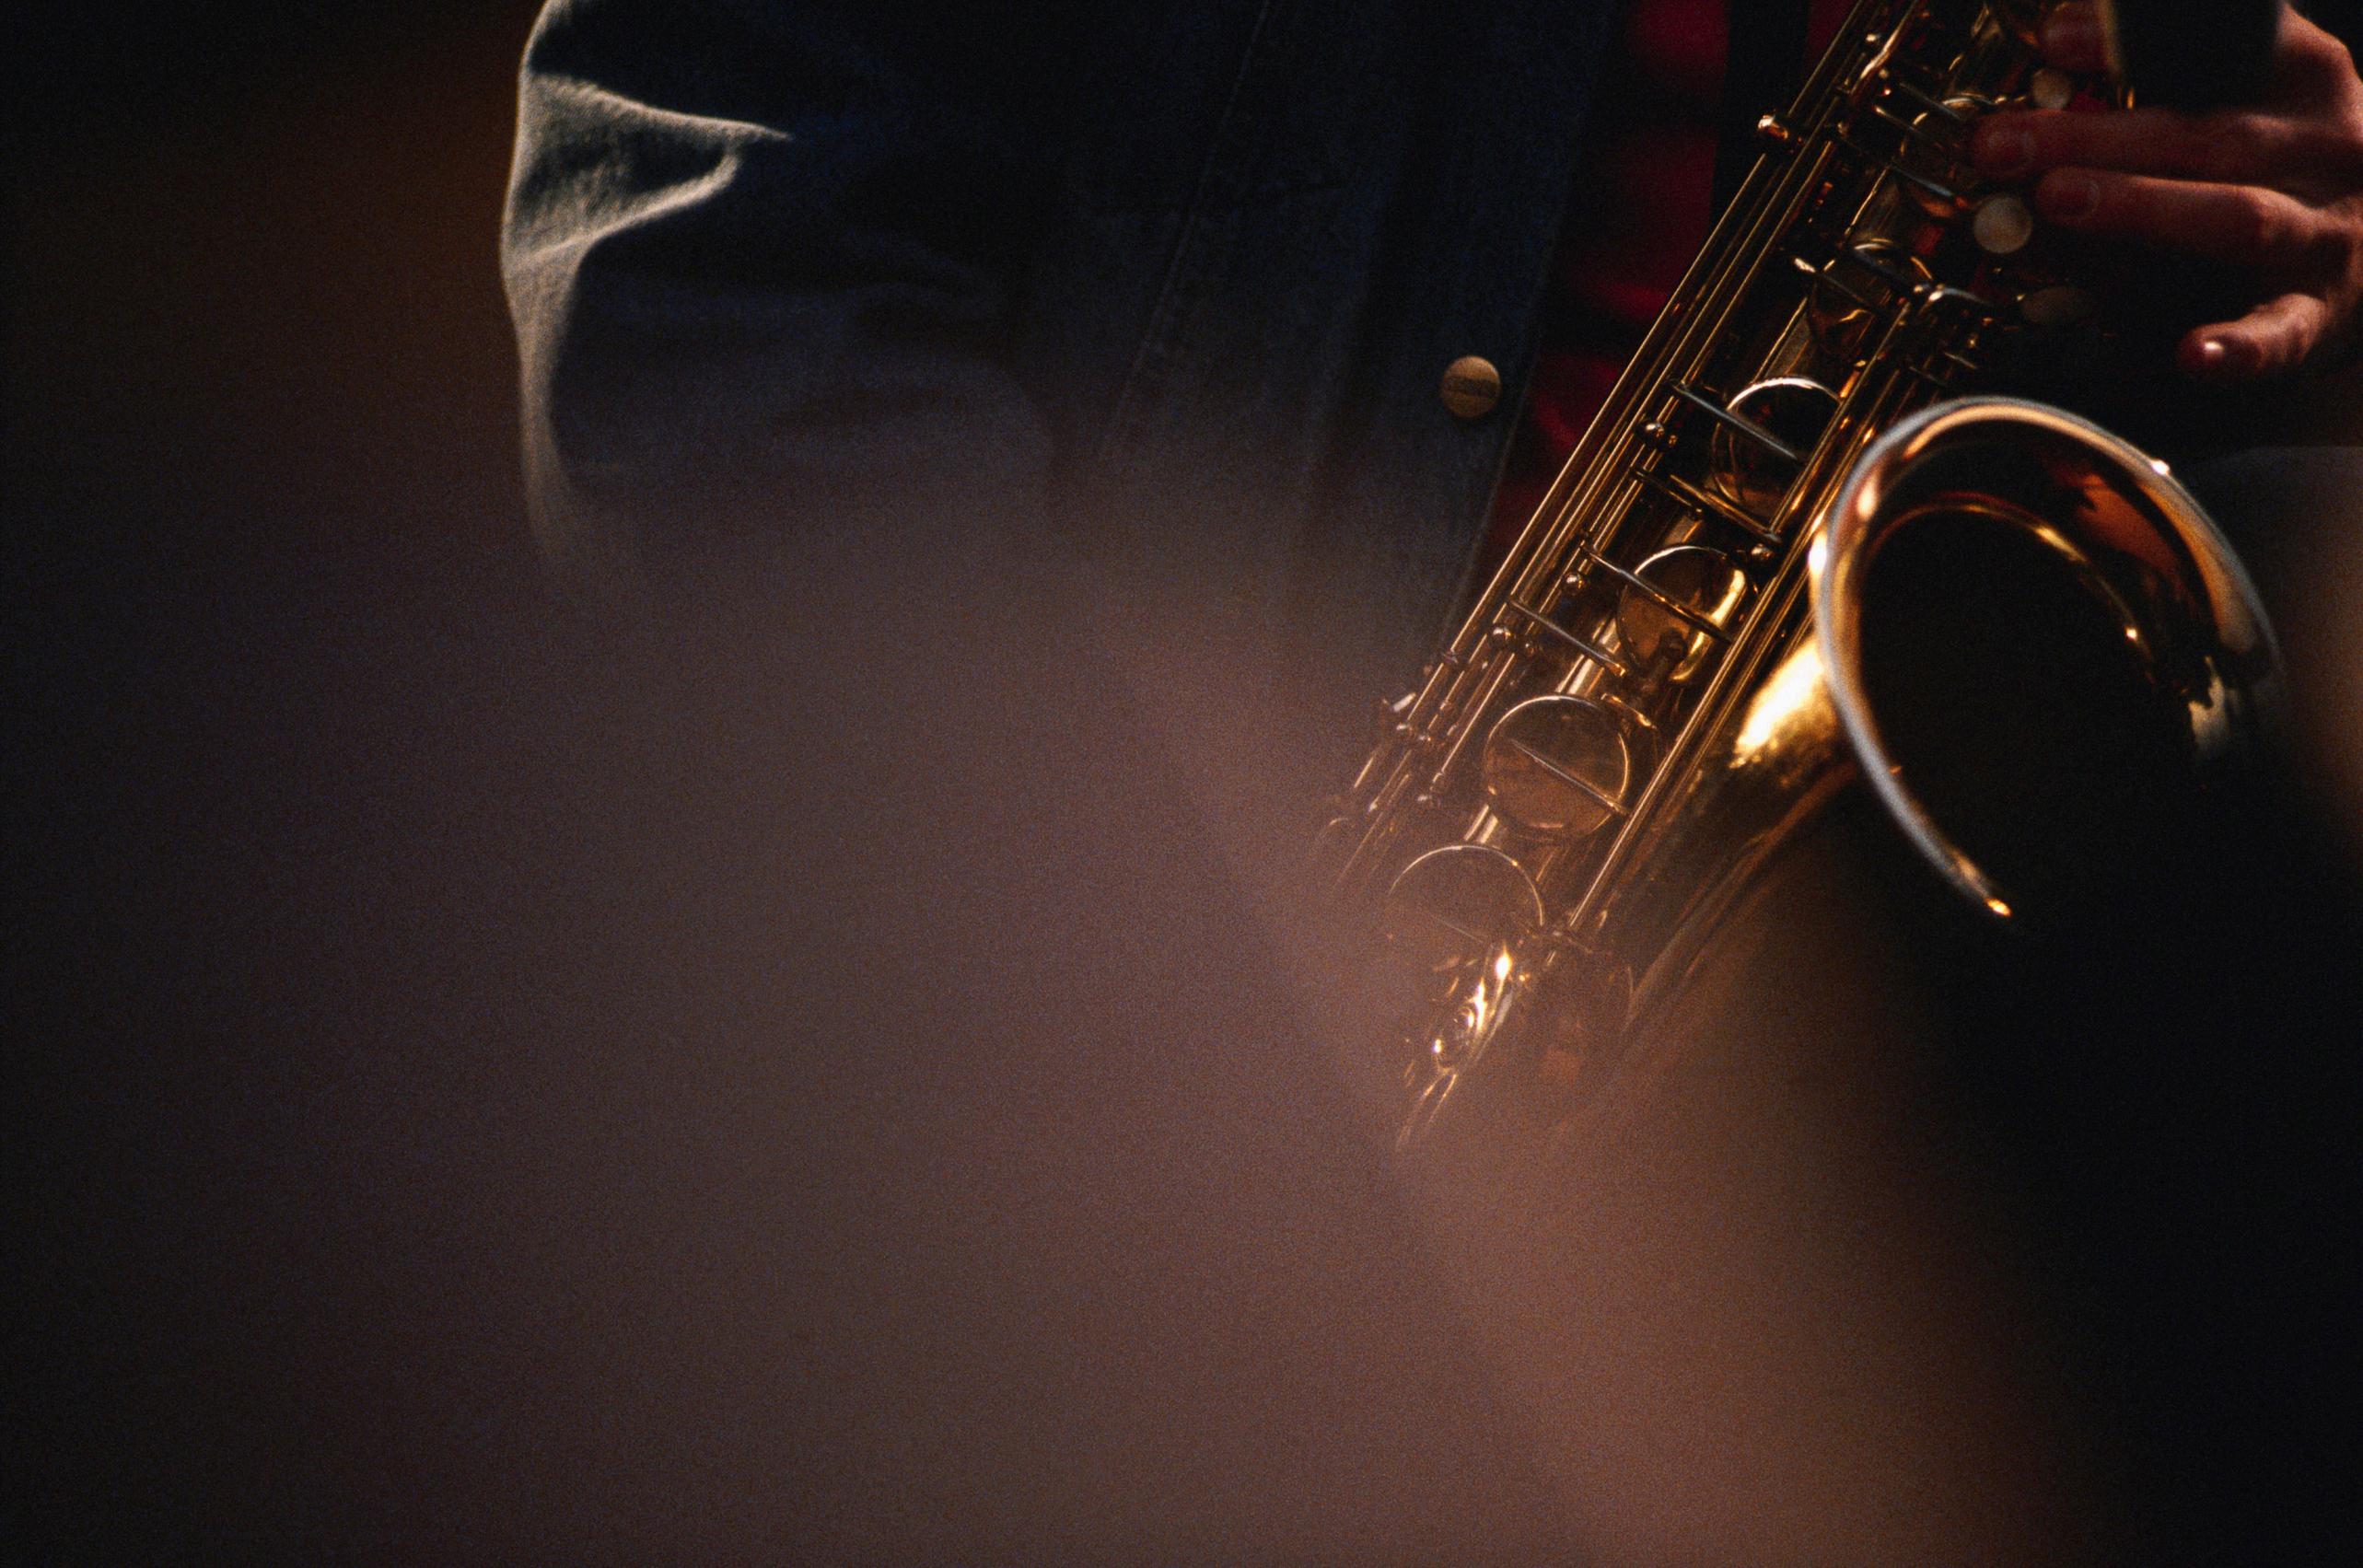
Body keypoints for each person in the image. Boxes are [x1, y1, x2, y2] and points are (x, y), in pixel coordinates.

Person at [500, 2, 2363, 1559]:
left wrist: (2304, 244)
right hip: (1159, 1139)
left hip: (1908, 1210)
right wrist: (1128, 1048)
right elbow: (711, 285)